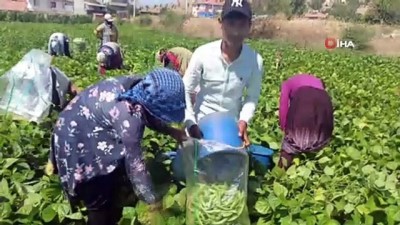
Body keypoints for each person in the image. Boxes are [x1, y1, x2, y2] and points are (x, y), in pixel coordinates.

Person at [48, 68, 187, 225]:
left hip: (87, 125)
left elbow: (149, 110)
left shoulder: (140, 86)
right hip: (76, 138)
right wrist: (152, 200)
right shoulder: (129, 116)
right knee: (97, 198)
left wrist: (171, 131)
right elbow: (136, 166)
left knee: (111, 187)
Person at [183, 0, 263, 146]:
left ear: (249, 26)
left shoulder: (254, 60)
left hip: (230, 130)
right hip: (199, 127)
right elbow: (186, 90)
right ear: (221, 23)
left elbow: (252, 96)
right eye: (231, 24)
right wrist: (190, 122)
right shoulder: (203, 54)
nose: (235, 32)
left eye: (241, 25)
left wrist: (244, 120)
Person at [278, 74, 334, 169]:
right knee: (320, 139)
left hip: (304, 99)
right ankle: (317, 172)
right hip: (325, 100)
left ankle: (280, 173)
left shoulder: (286, 84)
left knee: (292, 143)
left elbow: (283, 107)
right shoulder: (318, 82)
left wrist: (285, 129)